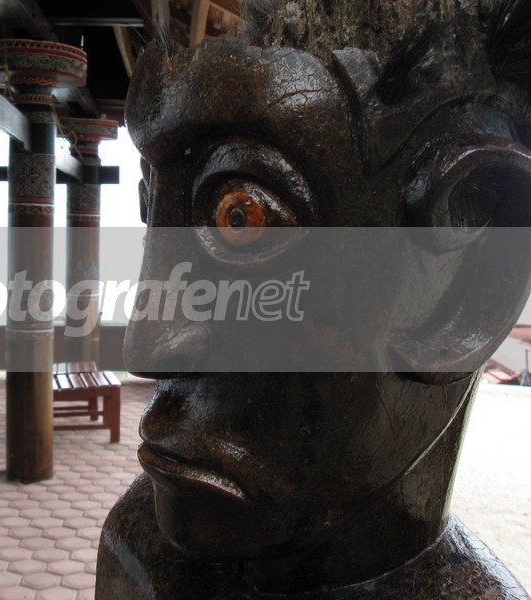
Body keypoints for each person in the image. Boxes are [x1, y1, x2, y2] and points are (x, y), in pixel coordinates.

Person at [96, 0, 531, 597]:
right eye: (154, 215)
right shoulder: (138, 546)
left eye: (242, 219)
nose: (147, 346)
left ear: (469, 295)